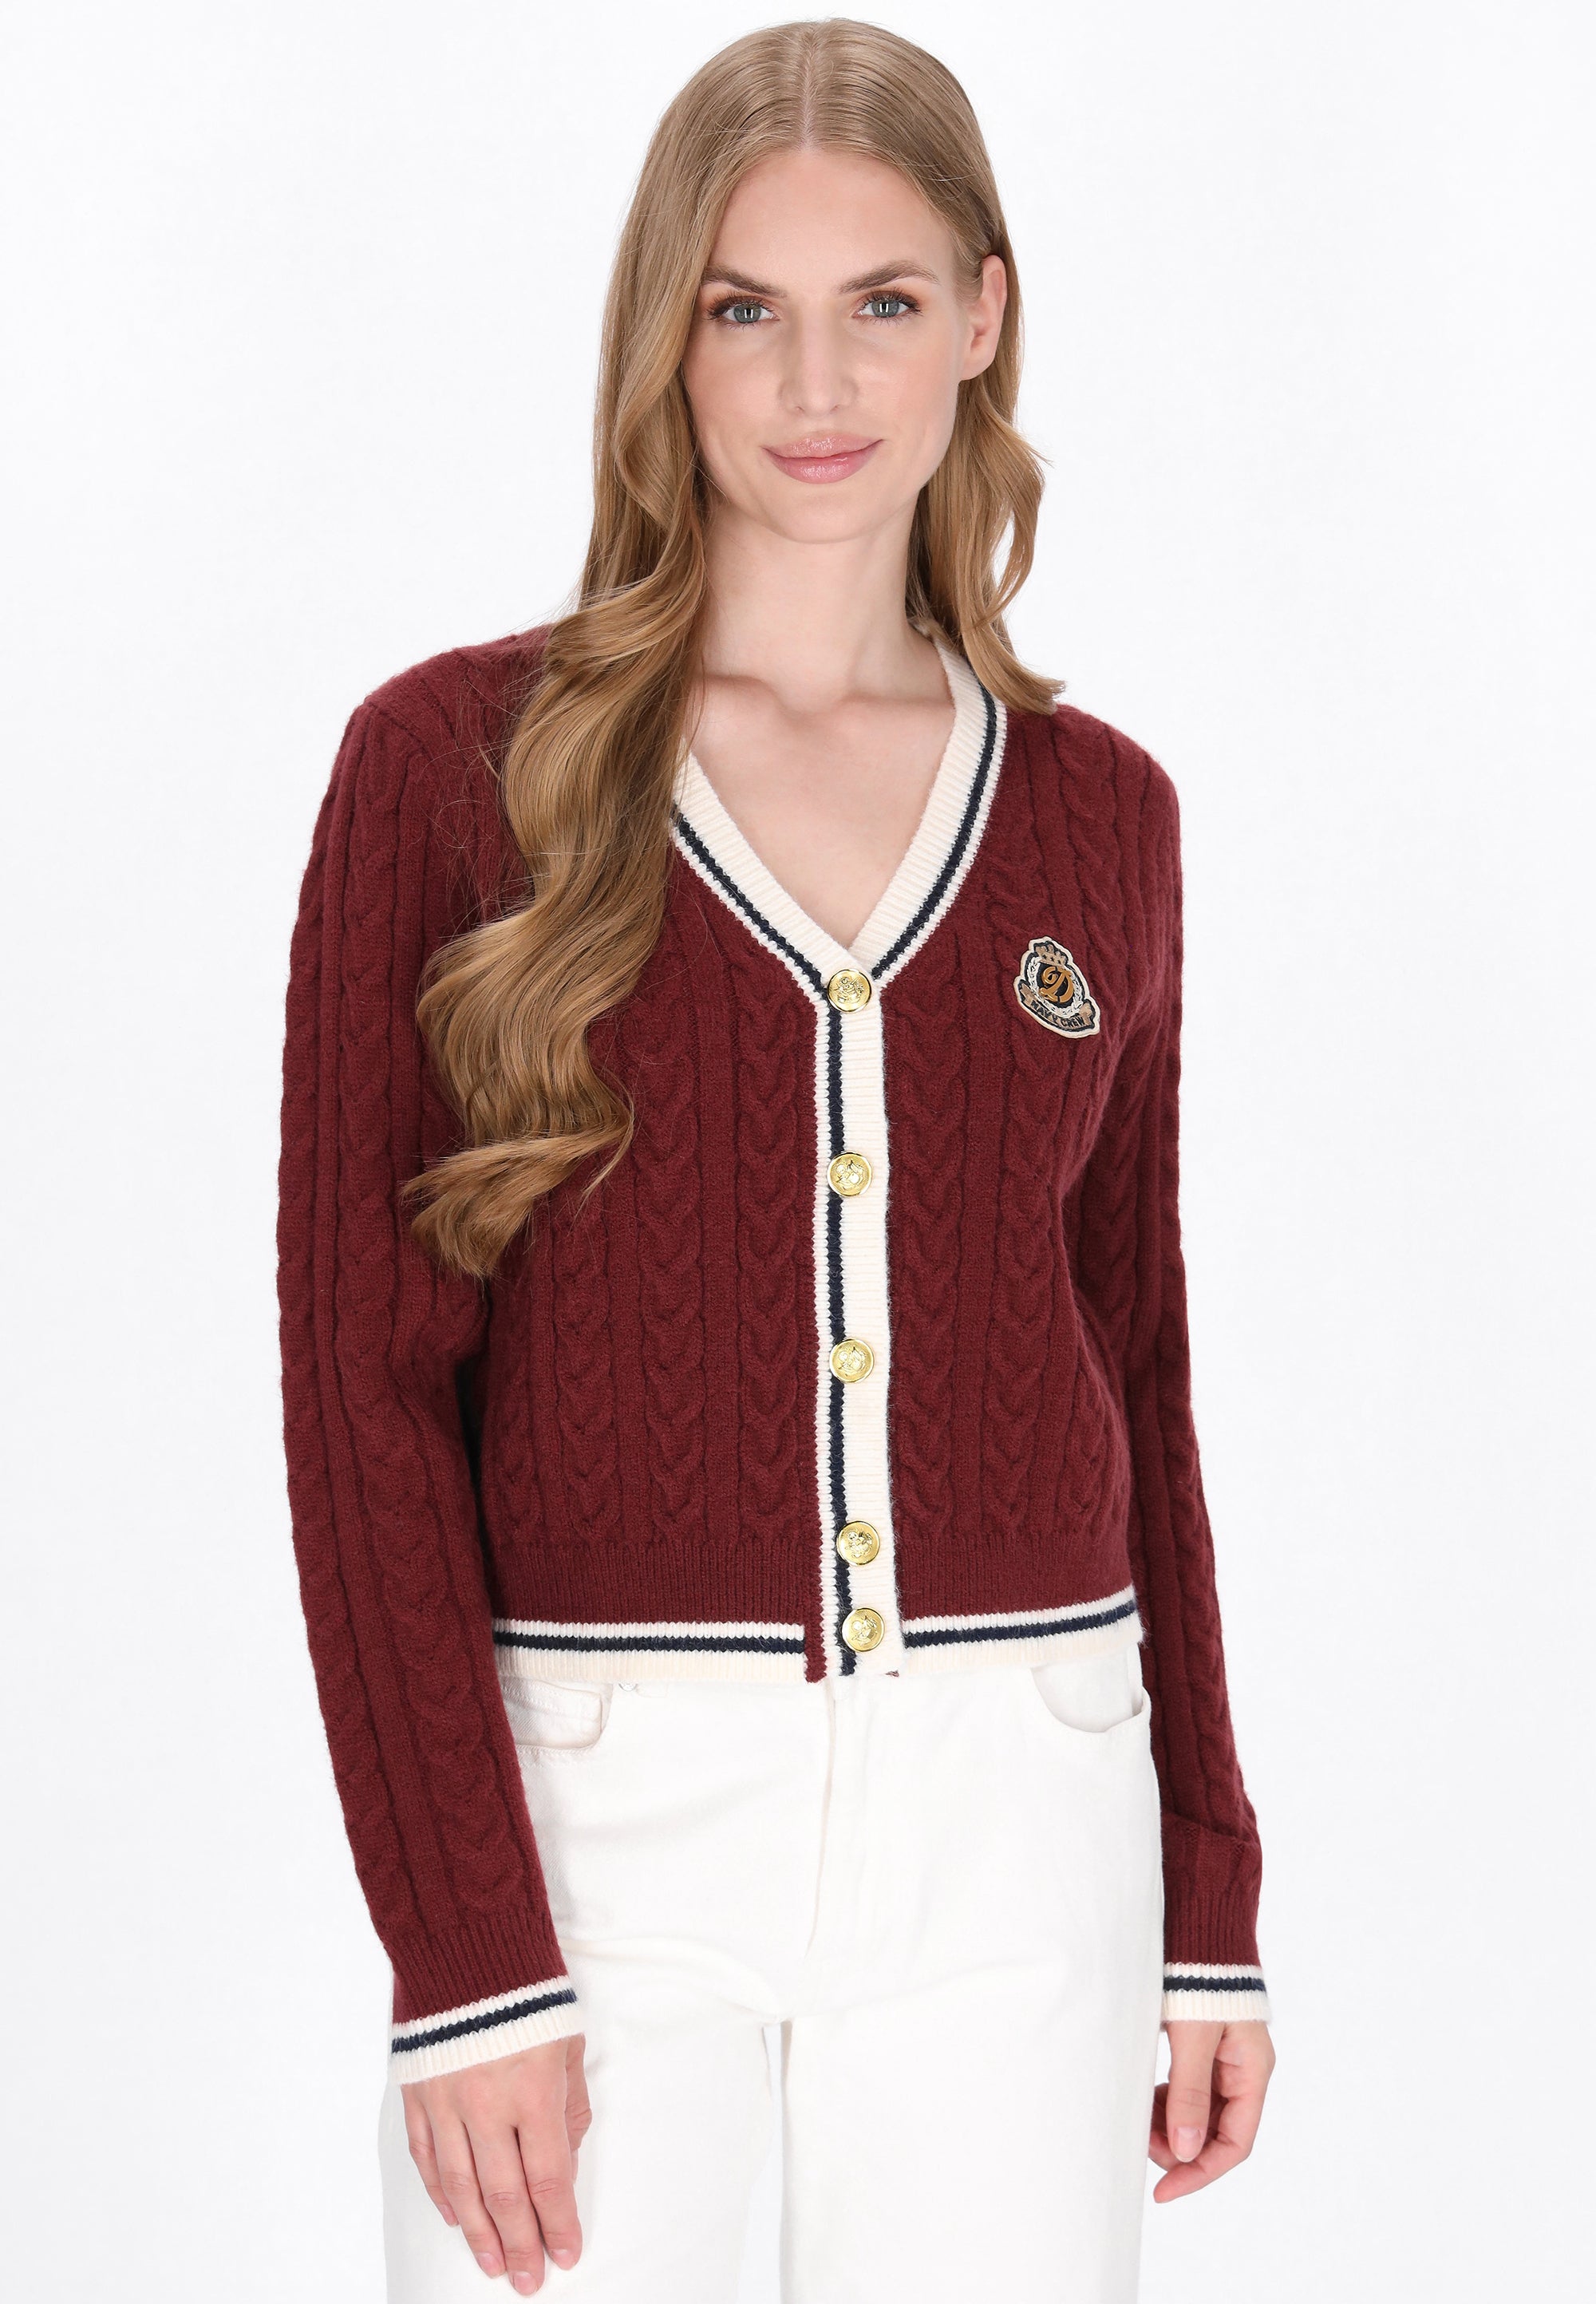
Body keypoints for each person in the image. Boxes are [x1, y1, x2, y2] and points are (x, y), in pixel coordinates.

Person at [276, 20, 1274, 2302]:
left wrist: (1207, 1883)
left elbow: (1137, 1358)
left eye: (882, 300)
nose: (816, 383)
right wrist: (465, 1954)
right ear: (668, 334)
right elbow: (363, 1398)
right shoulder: (452, 771)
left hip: (1026, 1804)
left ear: (983, 318)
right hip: (595, 1818)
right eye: (745, 308)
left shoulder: (1100, 815)